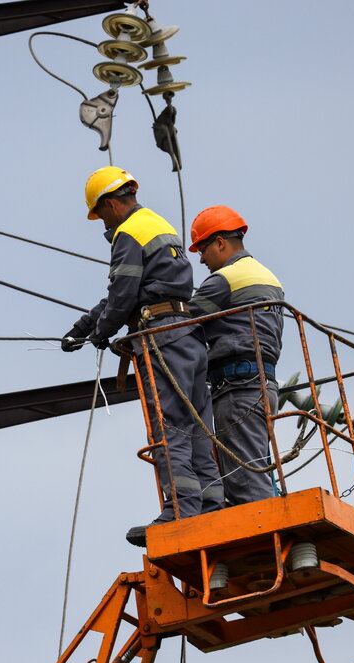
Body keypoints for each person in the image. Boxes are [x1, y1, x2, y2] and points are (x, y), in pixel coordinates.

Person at [62, 167, 222, 546]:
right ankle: (213, 504)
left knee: (170, 424)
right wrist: (84, 327)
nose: (103, 222)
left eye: (101, 214)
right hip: (189, 336)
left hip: (162, 338)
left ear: (112, 204)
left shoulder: (127, 233)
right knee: (197, 422)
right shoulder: (156, 224)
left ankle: (180, 508)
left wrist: (102, 331)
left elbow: (123, 295)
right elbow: (128, 291)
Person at [187, 205, 284, 506]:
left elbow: (181, 323)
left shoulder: (224, 280)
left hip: (237, 388)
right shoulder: (268, 277)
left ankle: (268, 534)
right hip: (263, 385)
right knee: (253, 467)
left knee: (246, 482)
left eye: (202, 248)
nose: (201, 258)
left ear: (220, 242)